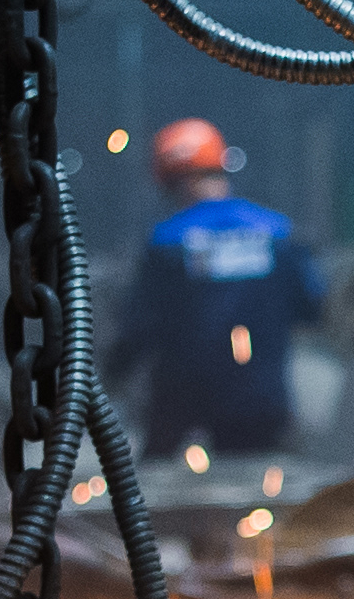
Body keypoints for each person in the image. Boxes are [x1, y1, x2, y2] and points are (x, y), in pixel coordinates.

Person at [110, 117, 321, 455]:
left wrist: (112, 375)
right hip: (261, 405)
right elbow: (311, 308)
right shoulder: (277, 233)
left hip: (181, 413)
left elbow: (138, 328)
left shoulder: (167, 242)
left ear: (171, 183)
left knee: (164, 500)